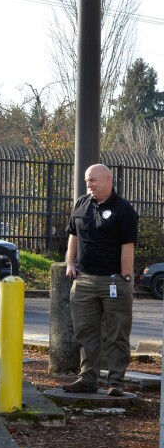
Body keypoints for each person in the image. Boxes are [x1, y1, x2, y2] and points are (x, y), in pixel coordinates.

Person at [62, 164, 138, 397]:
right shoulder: (81, 204)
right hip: (84, 280)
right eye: (87, 181)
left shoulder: (124, 210)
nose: (89, 185)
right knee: (85, 333)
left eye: (93, 180)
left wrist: (125, 277)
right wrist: (70, 263)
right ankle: (87, 379)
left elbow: (128, 247)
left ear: (108, 179)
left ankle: (116, 381)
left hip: (114, 281)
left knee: (117, 334)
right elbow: (73, 237)